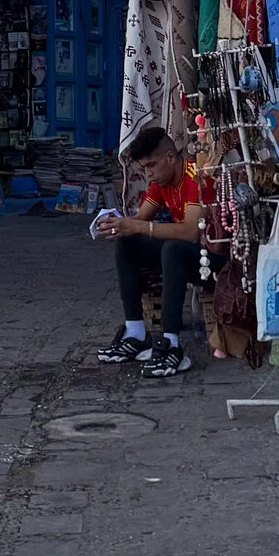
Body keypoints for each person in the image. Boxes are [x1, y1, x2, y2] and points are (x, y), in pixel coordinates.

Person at [93, 125, 208, 378]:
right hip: (181, 256)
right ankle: (135, 332)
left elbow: (191, 232)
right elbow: (141, 220)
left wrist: (137, 226)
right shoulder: (161, 181)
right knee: (128, 242)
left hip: (208, 259)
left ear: (170, 157)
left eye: (152, 165)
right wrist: (118, 227)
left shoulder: (194, 176)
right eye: (144, 168)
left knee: (173, 248)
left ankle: (171, 343)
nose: (149, 174)